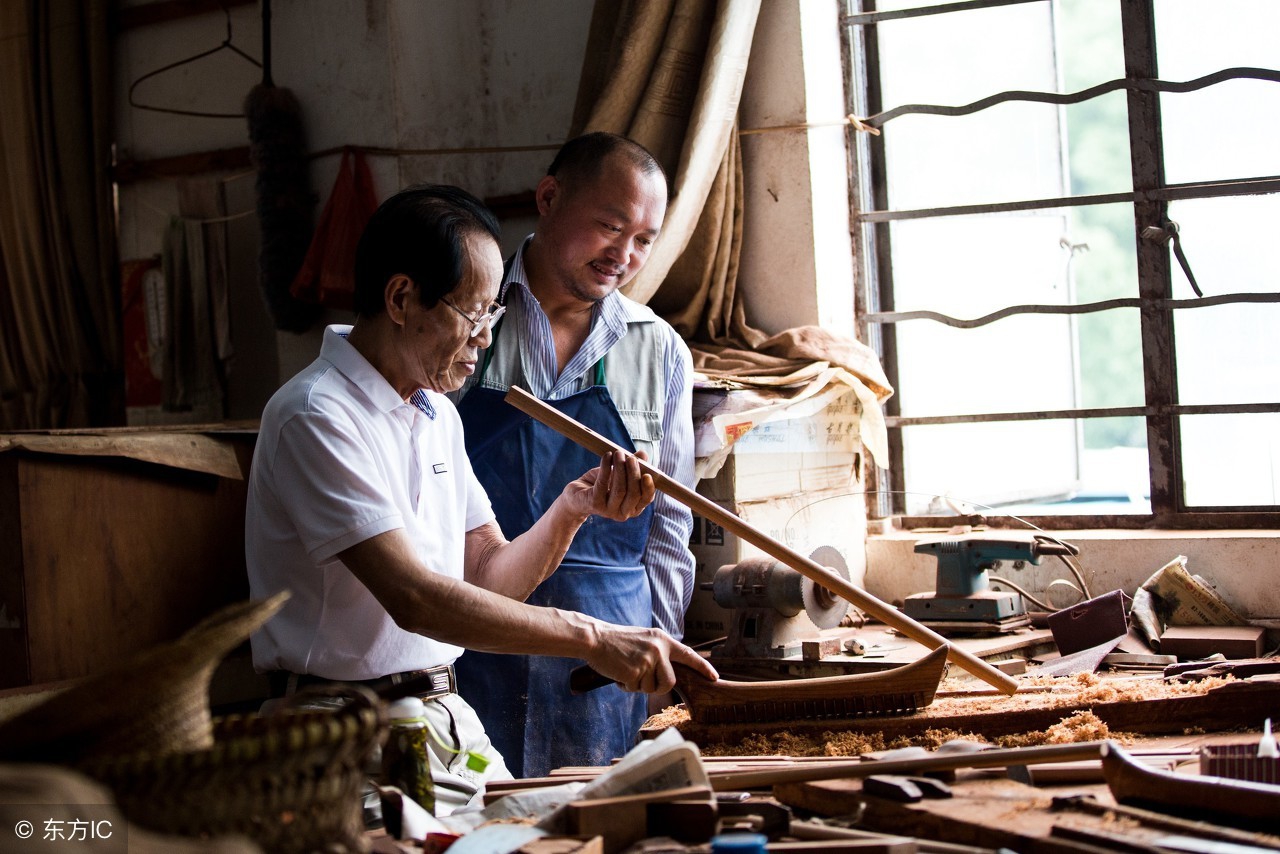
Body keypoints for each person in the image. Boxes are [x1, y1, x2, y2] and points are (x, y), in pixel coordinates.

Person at [245, 183, 716, 814]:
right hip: (337, 727)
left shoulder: (435, 412)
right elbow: (414, 598)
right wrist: (590, 636)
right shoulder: (316, 414)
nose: (486, 340)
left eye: (494, 317)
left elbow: (490, 575)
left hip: (440, 714)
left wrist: (571, 508)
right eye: (473, 316)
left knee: (541, 827)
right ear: (402, 298)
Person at [452, 132, 698, 778]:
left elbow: (671, 529)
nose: (624, 254)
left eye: (644, 239)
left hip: (606, 659)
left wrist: (661, 655)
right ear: (550, 198)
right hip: (478, 635)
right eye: (610, 227)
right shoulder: (464, 322)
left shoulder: (659, 350)